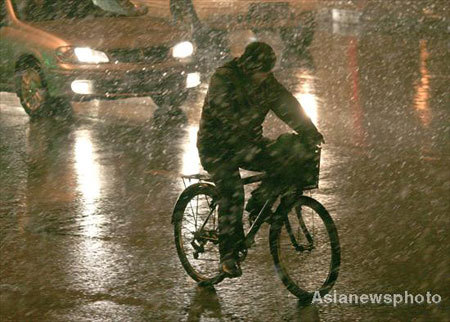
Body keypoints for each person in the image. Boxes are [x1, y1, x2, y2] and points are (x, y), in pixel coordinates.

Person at [197, 42, 323, 278]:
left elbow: (288, 107)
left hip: (247, 145)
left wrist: (309, 131)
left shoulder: (266, 83)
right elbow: (224, 114)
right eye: (260, 73)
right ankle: (228, 255)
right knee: (232, 191)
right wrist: (244, 132)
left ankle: (259, 203)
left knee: (287, 155)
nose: (263, 78)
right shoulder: (224, 78)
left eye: (267, 73)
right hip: (217, 148)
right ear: (248, 67)